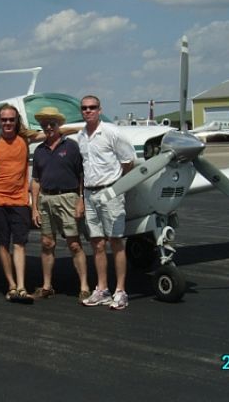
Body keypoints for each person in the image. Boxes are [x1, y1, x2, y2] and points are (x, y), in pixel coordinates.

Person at [77, 95, 135, 310]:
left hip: (110, 192)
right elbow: (84, 168)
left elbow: (128, 160)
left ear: (99, 109)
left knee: (116, 241)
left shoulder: (112, 132)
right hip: (90, 195)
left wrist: (117, 187)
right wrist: (82, 196)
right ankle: (102, 289)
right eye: (84, 108)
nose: (88, 111)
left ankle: (120, 291)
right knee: (97, 242)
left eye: (92, 107)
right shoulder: (81, 136)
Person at [31, 107, 90, 302]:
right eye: (44, 124)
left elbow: (81, 175)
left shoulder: (71, 147)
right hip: (46, 199)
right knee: (47, 243)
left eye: (52, 123)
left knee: (74, 244)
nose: (48, 127)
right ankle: (47, 286)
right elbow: (36, 180)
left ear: (59, 125)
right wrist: (35, 207)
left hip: (68, 198)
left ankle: (84, 287)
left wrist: (81, 199)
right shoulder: (39, 151)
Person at [0, 104, 33, 303]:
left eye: (11, 119)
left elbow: (53, 131)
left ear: (16, 121)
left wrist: (78, 128)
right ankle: (11, 285)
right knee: (3, 244)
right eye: (4, 120)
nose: (8, 123)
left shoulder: (25, 140)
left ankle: (21, 286)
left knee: (20, 243)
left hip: (19, 200)